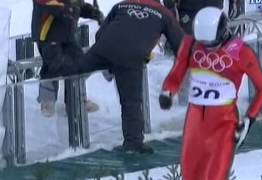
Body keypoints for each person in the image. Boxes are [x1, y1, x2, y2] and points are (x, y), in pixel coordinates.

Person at [159, 7, 262, 180]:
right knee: (190, 176)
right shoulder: (191, 44)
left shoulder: (241, 52)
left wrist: (250, 118)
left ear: (223, 32)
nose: (208, 49)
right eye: (204, 44)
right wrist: (168, 91)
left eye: (213, 44)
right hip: (195, 123)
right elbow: (178, 70)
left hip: (223, 124)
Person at [65, 0, 184, 154]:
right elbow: (181, 45)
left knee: (75, 71)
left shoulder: (122, 5)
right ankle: (133, 143)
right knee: (131, 102)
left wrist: (106, 54)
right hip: (131, 56)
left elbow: (101, 32)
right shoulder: (164, 14)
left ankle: (58, 97)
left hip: (103, 48)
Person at [31, 0, 104, 117]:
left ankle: (76, 100)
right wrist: (65, 9)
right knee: (53, 65)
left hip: (67, 33)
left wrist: (92, 12)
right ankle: (47, 101)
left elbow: (77, 5)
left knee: (79, 62)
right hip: (48, 32)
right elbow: (47, 3)